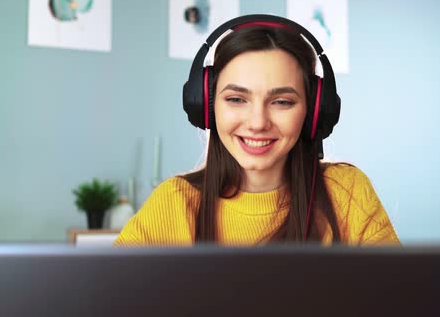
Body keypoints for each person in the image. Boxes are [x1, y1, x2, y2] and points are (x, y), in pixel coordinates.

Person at [115, 15, 399, 245]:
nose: (258, 122)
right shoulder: (174, 202)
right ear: (207, 106)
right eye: (237, 99)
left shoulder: (347, 192)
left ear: (313, 111)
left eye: (281, 101)